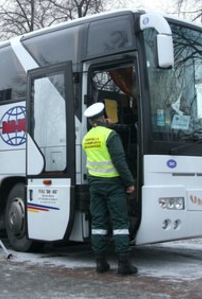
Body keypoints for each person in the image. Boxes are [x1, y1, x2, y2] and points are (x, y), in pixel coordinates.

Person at [82, 102, 138, 275]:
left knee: (98, 223)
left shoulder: (87, 138)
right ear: (103, 117)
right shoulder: (110, 135)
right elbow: (119, 161)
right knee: (120, 223)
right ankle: (123, 264)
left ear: (91, 121)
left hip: (95, 185)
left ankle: (100, 262)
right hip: (113, 184)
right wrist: (129, 182)